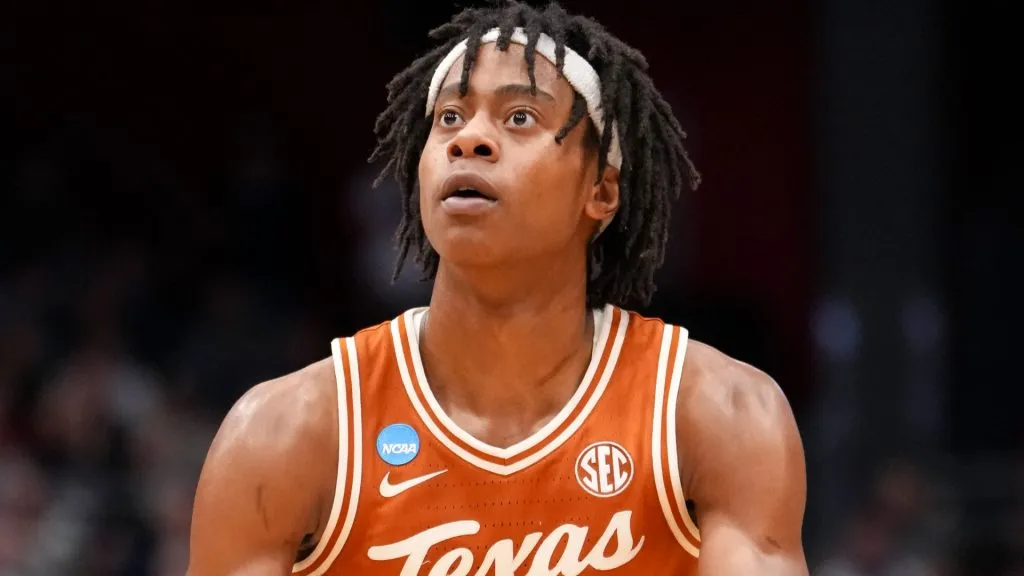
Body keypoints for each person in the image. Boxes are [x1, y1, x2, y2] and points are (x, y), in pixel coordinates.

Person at [187, 2, 808, 574]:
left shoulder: (716, 415)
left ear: (601, 192)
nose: (469, 138)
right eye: (449, 117)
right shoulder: (286, 431)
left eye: (519, 116)